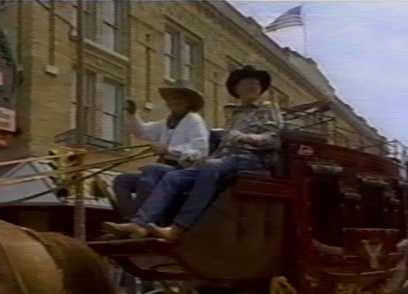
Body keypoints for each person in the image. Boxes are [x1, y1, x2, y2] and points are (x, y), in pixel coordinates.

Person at [104, 65, 282, 242]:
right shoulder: (233, 114)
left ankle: (178, 228)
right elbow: (143, 131)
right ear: (236, 89)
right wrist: (133, 115)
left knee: (193, 169)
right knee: (173, 177)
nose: (253, 86)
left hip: (250, 159)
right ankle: (139, 224)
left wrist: (244, 137)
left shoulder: (268, 109)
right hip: (222, 160)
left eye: (256, 83)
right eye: (247, 83)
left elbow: (274, 139)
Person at [112, 81, 209, 220]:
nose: (175, 101)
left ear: (188, 102)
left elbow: (200, 150)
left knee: (151, 172)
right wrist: (133, 114)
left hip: (182, 171)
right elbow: (142, 132)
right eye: (172, 98)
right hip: (162, 169)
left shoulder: (194, 120)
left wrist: (168, 150)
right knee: (122, 180)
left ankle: (140, 221)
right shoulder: (167, 122)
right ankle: (130, 218)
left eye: (180, 98)